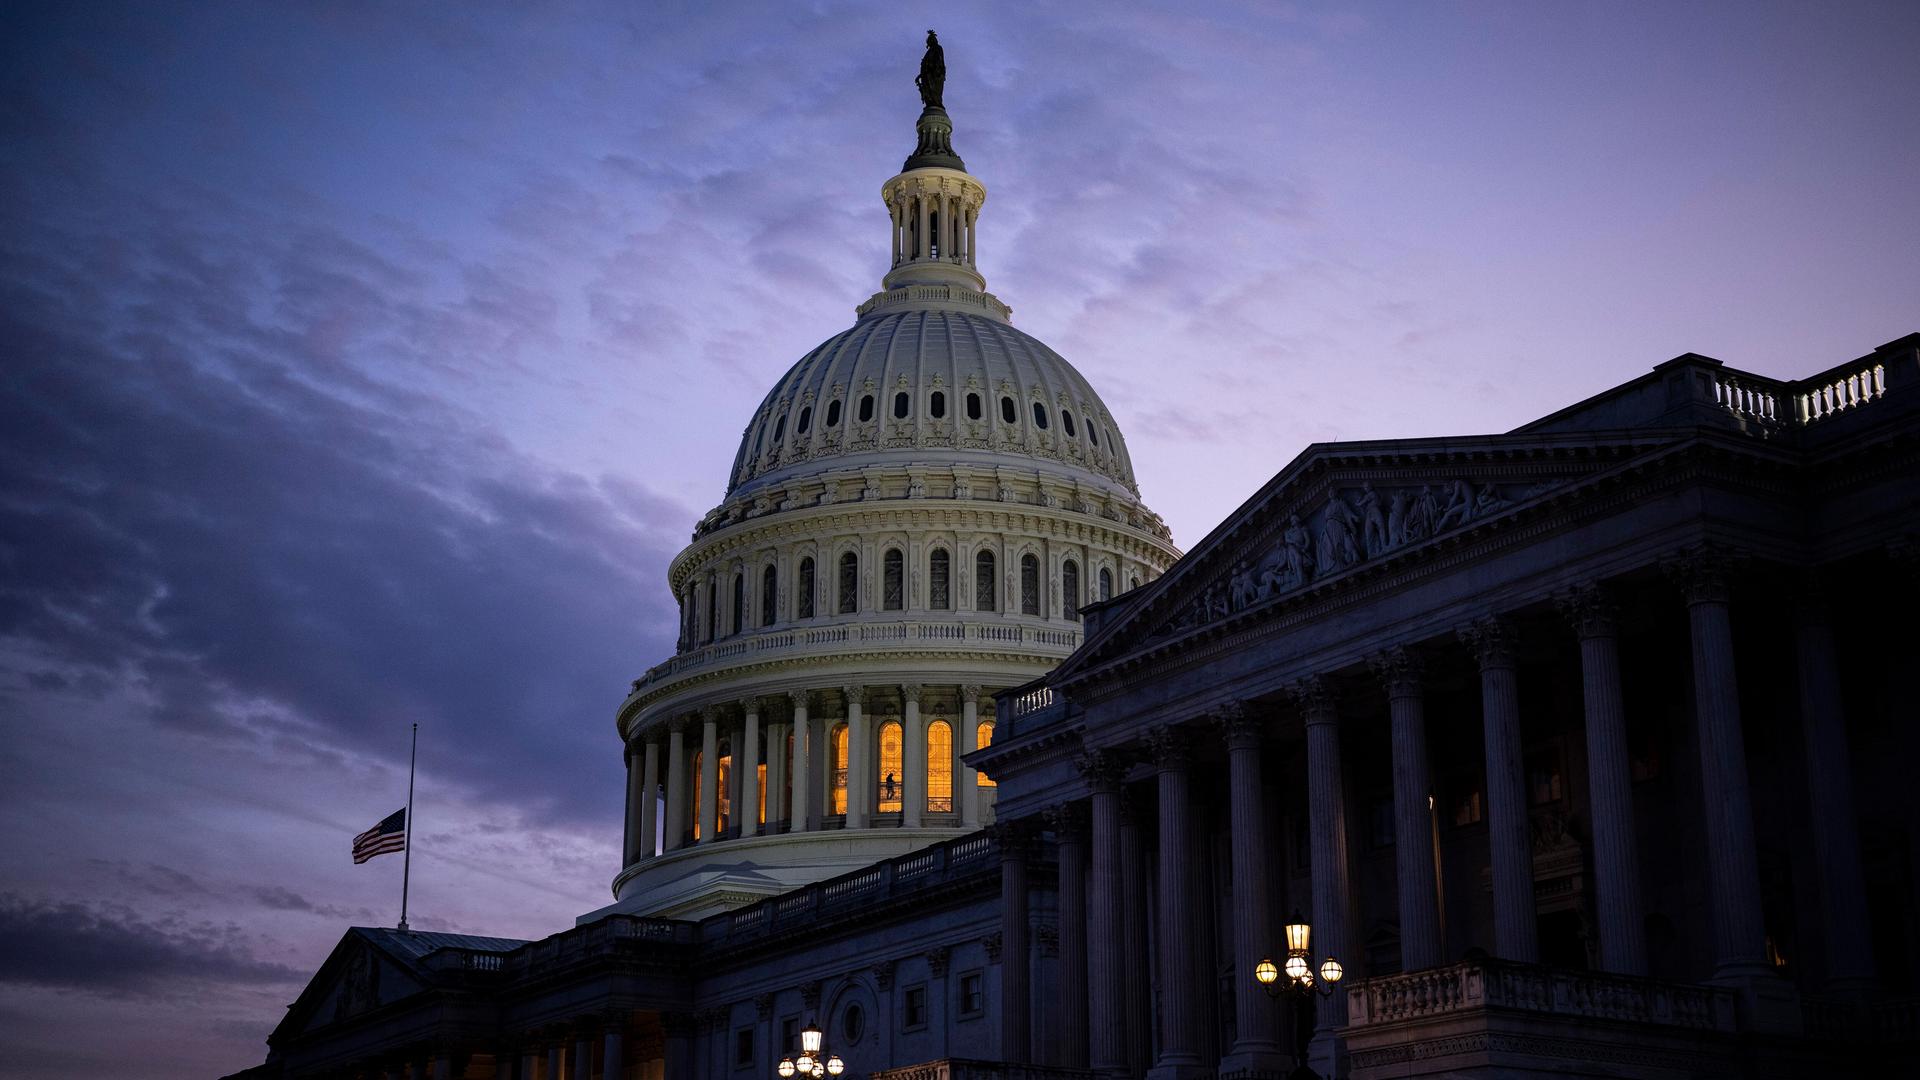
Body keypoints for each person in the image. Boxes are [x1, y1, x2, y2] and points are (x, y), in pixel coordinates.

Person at [916, 30, 945, 109]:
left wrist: (935, 70)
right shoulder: (929, 52)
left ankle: (936, 103)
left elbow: (939, 61)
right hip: (926, 75)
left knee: (934, 91)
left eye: (930, 40)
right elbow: (925, 65)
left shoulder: (938, 48)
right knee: (928, 92)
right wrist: (921, 75)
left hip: (935, 75)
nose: (929, 42)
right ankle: (930, 103)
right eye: (928, 41)